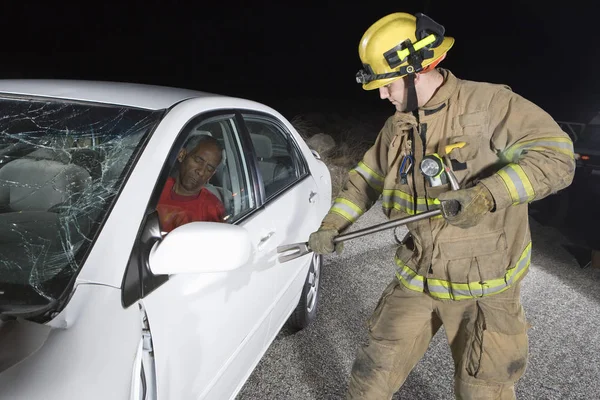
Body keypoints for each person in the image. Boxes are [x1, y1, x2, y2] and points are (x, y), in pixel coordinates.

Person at [308, 12, 576, 399]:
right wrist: (333, 225)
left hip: (484, 287)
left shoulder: (490, 104)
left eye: (388, 85)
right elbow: (364, 182)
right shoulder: (398, 125)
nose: (383, 95)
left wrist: (486, 195)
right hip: (418, 277)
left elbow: (556, 158)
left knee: (483, 389)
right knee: (369, 382)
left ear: (418, 71)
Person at [157, 135, 226, 233]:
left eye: (209, 169)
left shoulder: (212, 210)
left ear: (211, 175)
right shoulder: (154, 188)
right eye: (198, 161)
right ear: (181, 155)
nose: (201, 172)